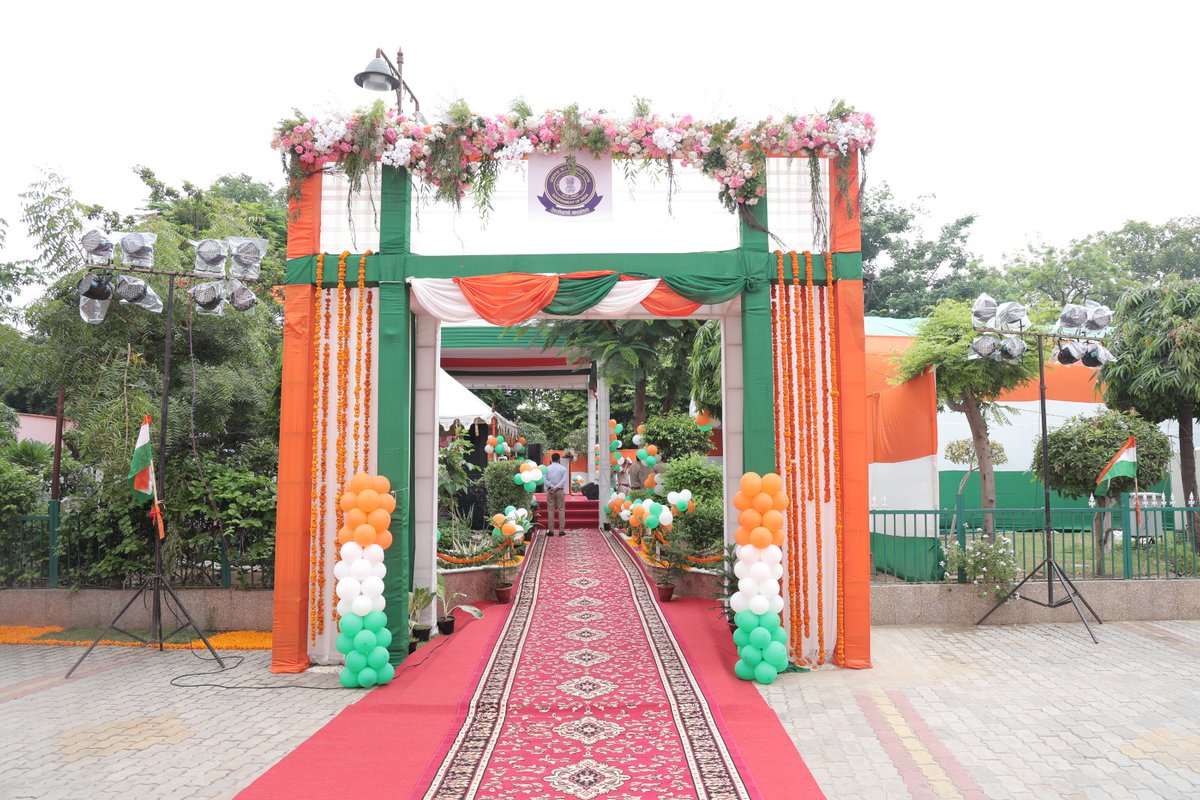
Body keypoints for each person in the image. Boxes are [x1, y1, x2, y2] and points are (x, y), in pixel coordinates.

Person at [544, 452, 568, 536]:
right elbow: (563, 480)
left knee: (550, 511)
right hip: (560, 491)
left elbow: (544, 479)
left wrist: (552, 487)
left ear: (551, 459)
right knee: (561, 510)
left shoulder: (547, 468)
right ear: (559, 459)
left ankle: (551, 531)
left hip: (550, 491)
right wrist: (557, 487)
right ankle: (561, 531)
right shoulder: (563, 469)